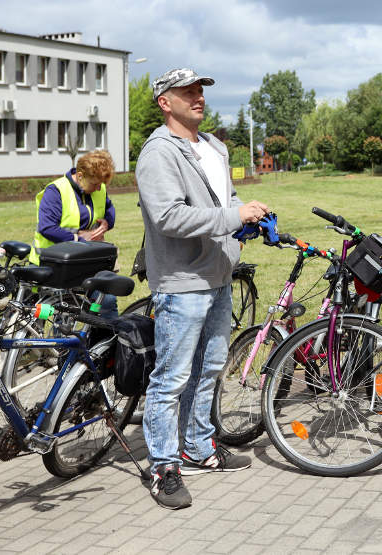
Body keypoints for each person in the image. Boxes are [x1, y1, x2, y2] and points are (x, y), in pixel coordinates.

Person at [136, 68, 269, 510]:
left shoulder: (213, 146)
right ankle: (163, 467)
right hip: (181, 282)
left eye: (200, 91)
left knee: (210, 369)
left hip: (218, 276)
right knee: (171, 378)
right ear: (164, 101)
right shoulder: (159, 152)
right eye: (187, 92)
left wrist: (247, 215)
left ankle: (198, 448)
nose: (197, 98)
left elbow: (224, 201)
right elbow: (168, 217)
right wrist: (235, 218)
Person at [30, 149, 119, 318]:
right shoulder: (56, 191)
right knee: (64, 312)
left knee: (106, 301)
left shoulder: (98, 187)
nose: (99, 188)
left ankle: (107, 342)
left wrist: (107, 223)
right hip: (54, 264)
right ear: (79, 176)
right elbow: (47, 227)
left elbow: (109, 210)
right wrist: (78, 237)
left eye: (102, 184)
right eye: (95, 184)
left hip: (85, 262)